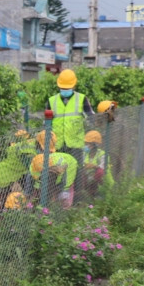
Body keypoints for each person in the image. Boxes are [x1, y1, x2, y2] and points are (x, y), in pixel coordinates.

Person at [48, 69, 94, 201]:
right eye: (63, 87)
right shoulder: (52, 101)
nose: (65, 90)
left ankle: (76, 201)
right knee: (58, 172)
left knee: (76, 173)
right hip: (58, 145)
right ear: (58, 86)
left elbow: (92, 117)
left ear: (74, 86)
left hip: (75, 145)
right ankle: (58, 199)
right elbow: (47, 123)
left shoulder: (82, 99)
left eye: (67, 87)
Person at [30, 131, 77, 208]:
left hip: (69, 168)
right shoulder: (35, 163)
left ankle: (61, 205)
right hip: (57, 171)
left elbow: (55, 183)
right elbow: (37, 181)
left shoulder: (56, 163)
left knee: (63, 197)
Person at [82, 130, 114, 197]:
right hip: (89, 178)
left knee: (100, 172)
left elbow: (102, 167)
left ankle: (99, 193)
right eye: (85, 143)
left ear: (94, 145)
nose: (86, 145)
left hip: (103, 182)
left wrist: (94, 166)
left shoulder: (103, 154)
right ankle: (86, 193)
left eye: (88, 143)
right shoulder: (84, 154)